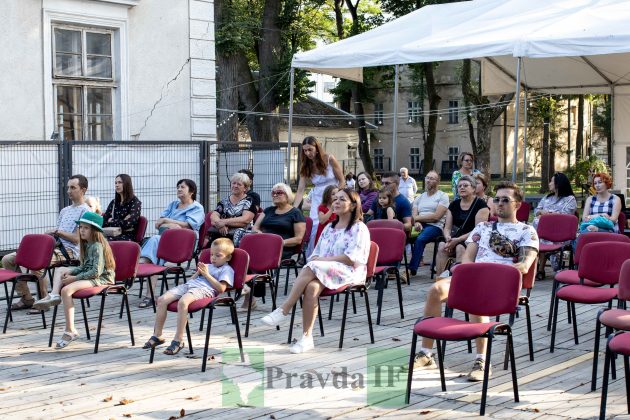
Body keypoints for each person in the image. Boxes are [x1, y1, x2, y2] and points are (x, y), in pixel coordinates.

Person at [413, 181, 538, 381]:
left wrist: (487, 276)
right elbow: (468, 259)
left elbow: (523, 266)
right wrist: (470, 275)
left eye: (505, 200)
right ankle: (427, 354)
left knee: (475, 297)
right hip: (474, 276)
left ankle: (482, 361)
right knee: (436, 290)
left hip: (503, 282)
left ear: (518, 205)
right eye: (496, 199)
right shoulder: (483, 227)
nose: (499, 203)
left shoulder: (527, 231)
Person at [260, 188, 370, 354]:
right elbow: (317, 253)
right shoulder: (329, 228)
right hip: (324, 269)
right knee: (311, 288)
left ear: (354, 205)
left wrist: (322, 261)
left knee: (312, 266)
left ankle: (284, 309)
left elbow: (352, 258)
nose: (337, 202)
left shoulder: (359, 228)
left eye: (342, 199)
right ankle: (306, 338)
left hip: (349, 271)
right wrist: (319, 260)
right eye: (335, 199)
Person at [2, 175, 90, 314]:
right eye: (68, 187)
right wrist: (49, 237)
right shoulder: (65, 210)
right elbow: (58, 233)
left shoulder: (86, 211)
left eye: (73, 187)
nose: (68, 190)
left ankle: (43, 301)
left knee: (38, 262)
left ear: (83, 190)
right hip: (55, 246)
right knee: (8, 259)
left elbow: (77, 239)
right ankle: (26, 298)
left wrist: (57, 232)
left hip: (70, 250)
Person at [32, 212, 115, 349]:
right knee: (60, 270)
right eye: (81, 227)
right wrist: (71, 271)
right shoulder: (88, 244)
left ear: (94, 231)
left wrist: (74, 278)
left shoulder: (97, 246)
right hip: (91, 275)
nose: (81, 230)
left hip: (102, 278)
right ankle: (54, 295)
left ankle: (70, 331)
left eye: (86, 228)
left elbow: (95, 272)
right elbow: (84, 267)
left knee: (67, 289)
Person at [142, 238, 235, 355]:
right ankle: (157, 336)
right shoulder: (208, 266)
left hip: (204, 290)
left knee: (183, 302)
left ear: (228, 257)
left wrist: (206, 274)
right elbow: (190, 281)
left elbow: (221, 288)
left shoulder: (227, 269)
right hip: (189, 286)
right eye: (211, 255)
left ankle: (178, 340)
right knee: (161, 299)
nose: (213, 258)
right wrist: (198, 273)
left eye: (218, 255)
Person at [138, 179, 205, 308]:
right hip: (166, 240)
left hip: (185, 243)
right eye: (178, 187)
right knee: (155, 247)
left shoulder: (197, 207)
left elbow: (189, 225)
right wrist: (170, 225)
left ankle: (141, 264)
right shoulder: (173, 204)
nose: (179, 189)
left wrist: (169, 221)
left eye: (182, 187)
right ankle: (149, 294)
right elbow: (159, 224)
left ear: (191, 191)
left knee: (156, 240)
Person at [244, 183, 307, 310]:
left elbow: (298, 239)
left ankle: (251, 295)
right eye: (274, 193)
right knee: (244, 255)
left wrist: (278, 242)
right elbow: (255, 227)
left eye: (279, 192)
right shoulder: (268, 211)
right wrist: (258, 232)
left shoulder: (295, 213)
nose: (275, 195)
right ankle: (249, 293)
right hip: (263, 246)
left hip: (282, 248)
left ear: (287, 195)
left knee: (255, 256)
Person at [293, 137, 345, 254]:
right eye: (305, 151)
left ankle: (333, 253)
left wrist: (337, 197)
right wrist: (294, 208)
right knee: (315, 227)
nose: (307, 153)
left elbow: (342, 180)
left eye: (310, 150)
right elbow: (301, 189)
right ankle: (313, 255)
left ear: (317, 148)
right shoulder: (305, 165)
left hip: (333, 195)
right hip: (318, 198)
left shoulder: (329, 159)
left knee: (333, 224)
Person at [435, 175, 489, 275]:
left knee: (460, 247)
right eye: (459, 186)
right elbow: (447, 227)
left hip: (473, 239)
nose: (462, 188)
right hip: (454, 237)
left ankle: (459, 280)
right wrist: (448, 238)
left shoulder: (481, 205)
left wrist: (458, 240)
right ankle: (440, 279)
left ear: (473, 188)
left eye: (465, 185)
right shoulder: (454, 204)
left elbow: (478, 230)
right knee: (442, 246)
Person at [533, 172, 577, 274]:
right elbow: (536, 210)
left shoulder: (570, 199)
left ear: (558, 184)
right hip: (544, 233)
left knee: (542, 235)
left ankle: (540, 269)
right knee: (540, 234)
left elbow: (565, 216)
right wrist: (541, 212)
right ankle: (540, 269)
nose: (549, 184)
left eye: (551, 181)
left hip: (561, 234)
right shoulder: (547, 198)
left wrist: (546, 215)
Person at [408, 170, 449, 276]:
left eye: (432, 178)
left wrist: (418, 219)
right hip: (421, 225)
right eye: (427, 178)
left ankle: (411, 269)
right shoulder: (419, 197)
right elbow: (414, 216)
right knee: (403, 236)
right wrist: (417, 223)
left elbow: (436, 217)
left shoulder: (443, 196)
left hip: (435, 227)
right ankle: (393, 267)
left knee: (421, 238)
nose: (428, 180)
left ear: (438, 182)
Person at [209, 172, 257, 247]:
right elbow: (213, 217)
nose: (235, 186)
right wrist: (221, 226)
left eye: (239, 184)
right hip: (221, 234)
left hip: (241, 238)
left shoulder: (249, 201)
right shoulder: (224, 201)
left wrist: (224, 222)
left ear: (245, 188)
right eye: (233, 183)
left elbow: (245, 220)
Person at [102, 174, 142, 242]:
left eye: (120, 182)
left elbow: (128, 224)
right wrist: (122, 221)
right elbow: (104, 221)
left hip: (127, 236)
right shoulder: (114, 202)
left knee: (106, 241)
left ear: (127, 184)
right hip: (112, 234)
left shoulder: (135, 202)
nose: (117, 185)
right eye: (116, 183)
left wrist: (112, 220)